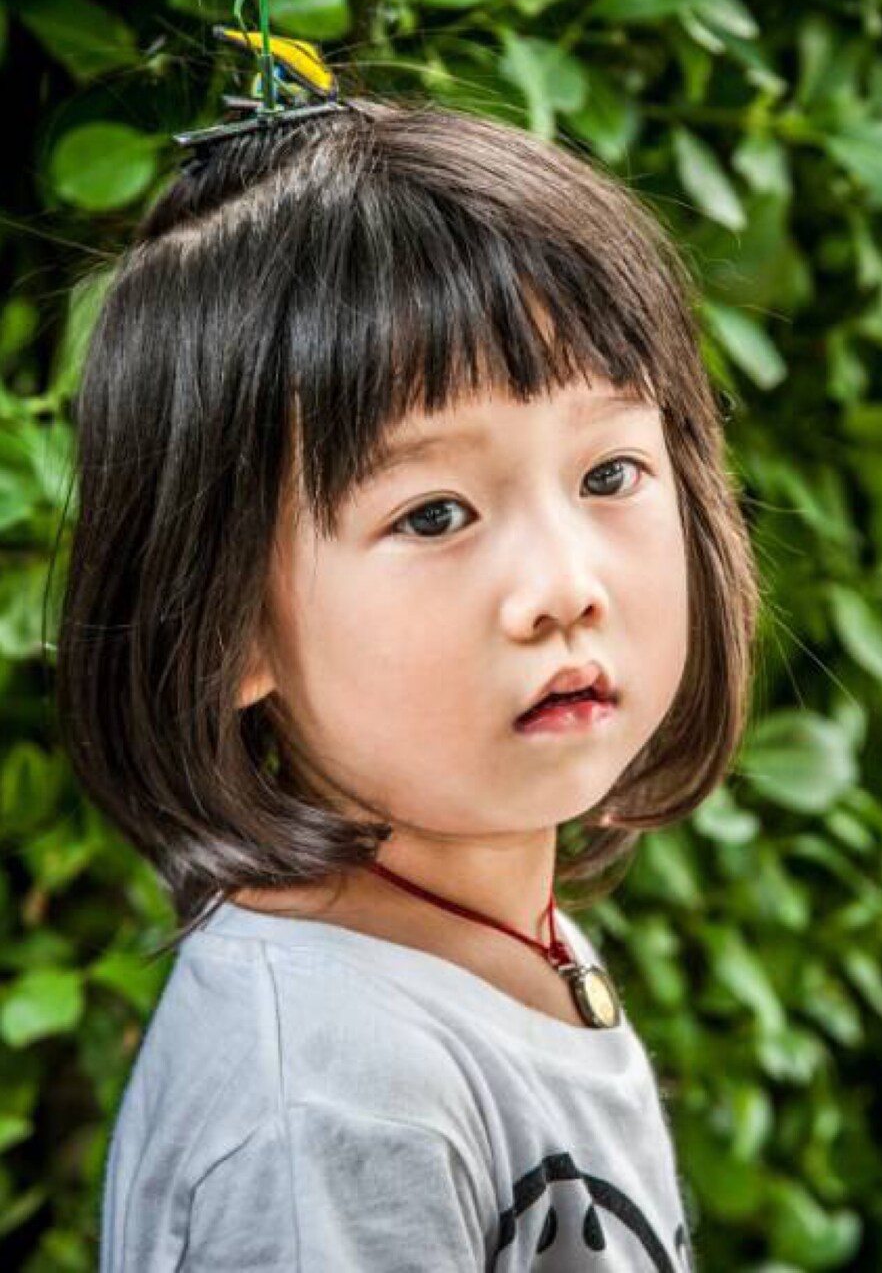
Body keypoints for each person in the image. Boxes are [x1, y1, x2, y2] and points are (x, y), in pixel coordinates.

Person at [56, 94, 759, 1271]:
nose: (563, 585)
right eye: (434, 512)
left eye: (609, 473)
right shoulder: (331, 1103)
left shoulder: (505, 939)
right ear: (225, 622)